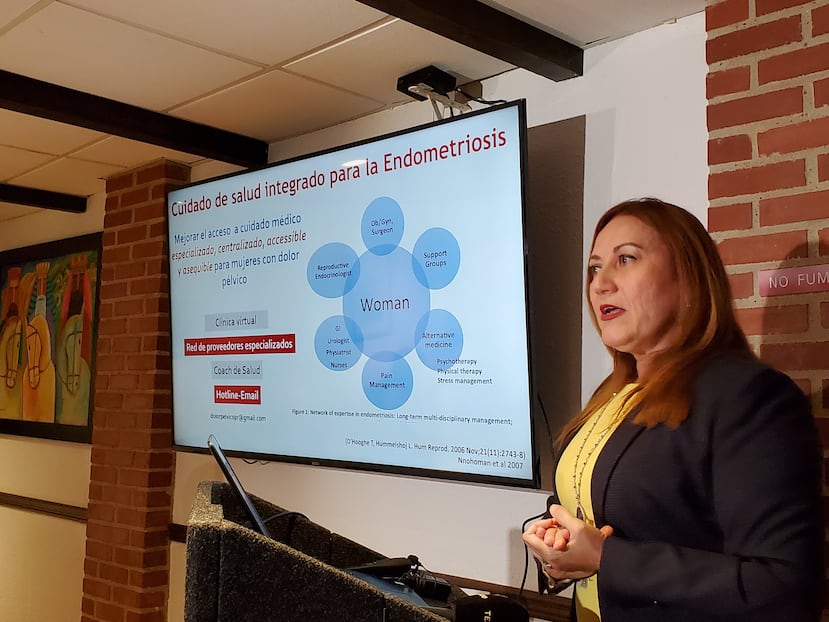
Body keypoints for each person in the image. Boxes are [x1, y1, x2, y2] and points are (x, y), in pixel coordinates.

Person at [522, 198, 824, 621]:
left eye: (625, 259)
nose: (600, 283)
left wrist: (607, 558)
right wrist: (554, 546)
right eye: (594, 267)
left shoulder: (750, 396)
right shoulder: (612, 395)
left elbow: (783, 586)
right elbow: (586, 508)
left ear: (688, 279)